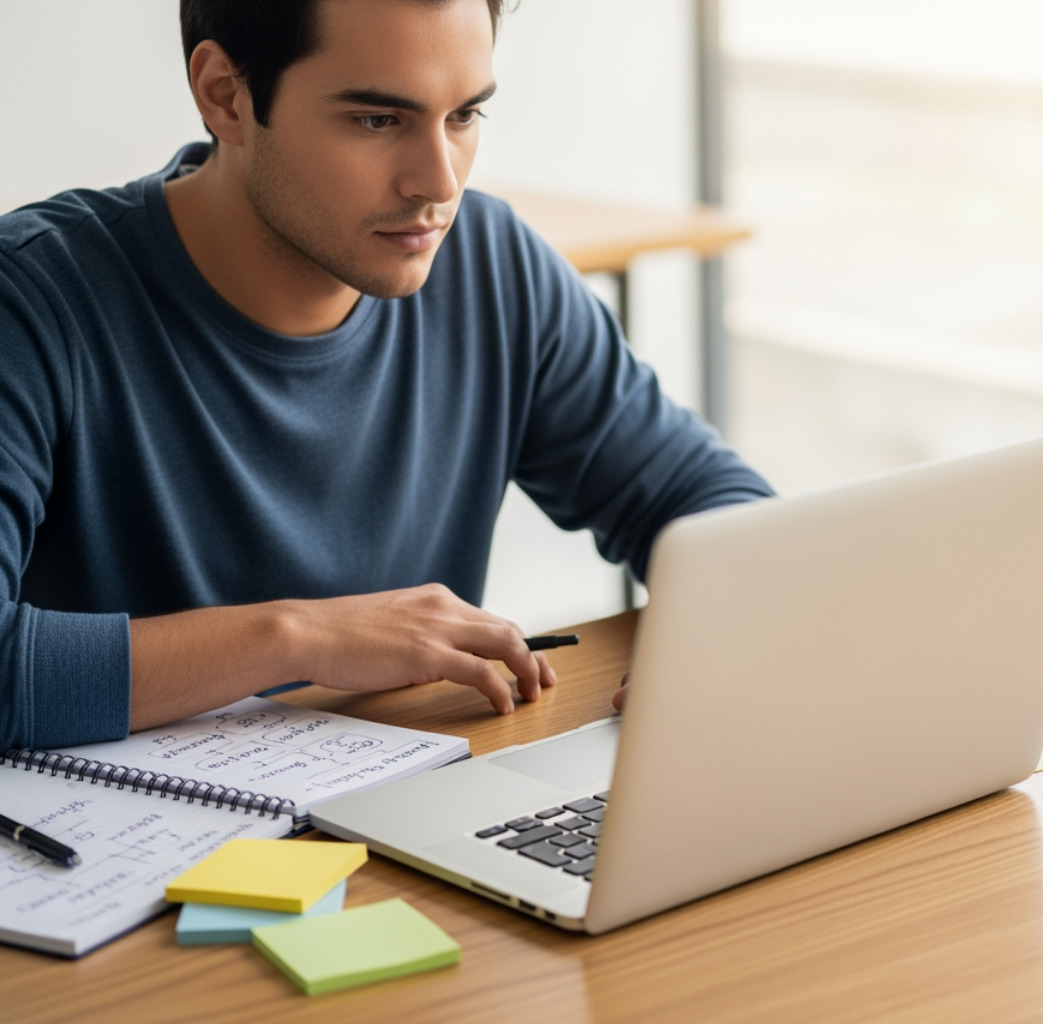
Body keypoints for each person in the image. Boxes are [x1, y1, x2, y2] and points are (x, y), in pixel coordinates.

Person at [0, 0, 772, 751]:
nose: (438, 183)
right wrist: (297, 638)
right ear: (225, 98)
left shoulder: (493, 267)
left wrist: (729, 639)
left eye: (464, 116)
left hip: (393, 822)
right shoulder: (32, 301)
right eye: (378, 120)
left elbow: (705, 501)